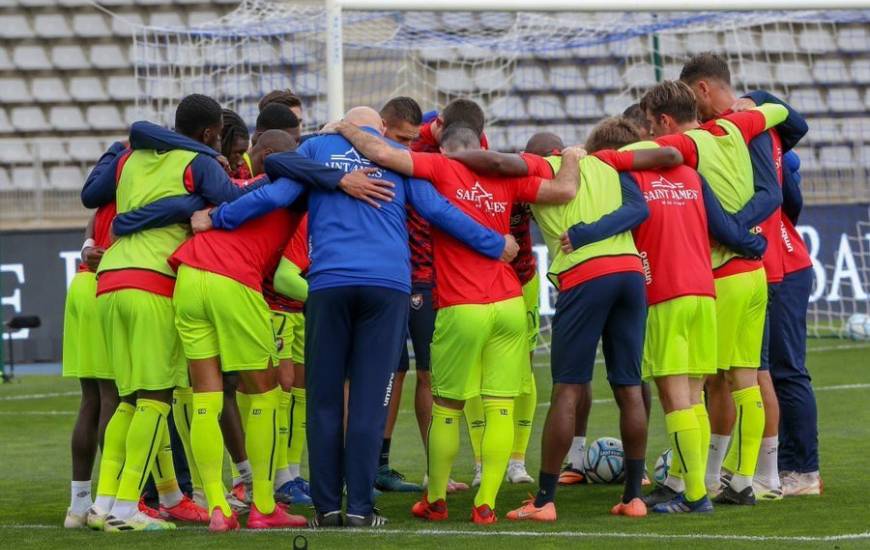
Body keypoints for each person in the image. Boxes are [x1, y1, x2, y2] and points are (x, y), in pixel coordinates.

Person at [204, 106, 514, 527]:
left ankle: (328, 508)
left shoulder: (316, 147)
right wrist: (494, 243)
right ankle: (361, 510)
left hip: (329, 283)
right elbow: (438, 211)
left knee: (325, 399)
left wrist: (217, 217)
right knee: (369, 401)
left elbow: (273, 196)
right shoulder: (394, 154)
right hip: (387, 287)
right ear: (381, 129)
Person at [334, 113, 590, 524]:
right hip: (508, 301)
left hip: (461, 304)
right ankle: (486, 502)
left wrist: (342, 127)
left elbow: (379, 150)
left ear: (446, 147)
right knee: (501, 406)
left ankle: (435, 499)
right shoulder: (505, 177)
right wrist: (574, 155)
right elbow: (566, 188)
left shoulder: (442, 166)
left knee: (448, 406)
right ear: (482, 146)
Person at [441, 130, 681, 520]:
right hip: (630, 272)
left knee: (567, 390)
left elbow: (499, 163)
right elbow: (665, 158)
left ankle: (544, 501)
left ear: (535, 155)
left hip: (584, 276)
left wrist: (445, 161)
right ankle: (634, 497)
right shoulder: (604, 162)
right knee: (630, 386)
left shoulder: (544, 167)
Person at [79, 94, 272, 531]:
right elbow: (230, 205)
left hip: (109, 279)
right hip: (153, 282)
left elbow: (95, 193)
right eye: (219, 137)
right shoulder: (198, 162)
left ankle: (101, 504)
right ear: (209, 134)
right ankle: (127, 512)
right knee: (155, 401)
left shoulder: (131, 158)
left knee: (127, 401)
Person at [562, 117, 766, 514]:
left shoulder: (624, 178)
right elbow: (722, 225)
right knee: (693, 396)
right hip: (705, 292)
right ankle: (696, 484)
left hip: (664, 293)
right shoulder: (689, 174)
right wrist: (753, 243)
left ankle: (693, 496)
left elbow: (629, 217)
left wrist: (584, 233)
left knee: (676, 399)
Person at [638, 80, 790, 505]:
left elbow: (645, 159)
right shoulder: (735, 128)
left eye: (652, 125)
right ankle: (742, 482)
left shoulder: (684, 147)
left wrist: (599, 156)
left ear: (666, 121)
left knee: (697, 383)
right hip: (754, 273)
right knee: (745, 378)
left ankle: (694, 483)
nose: (652, 135)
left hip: (721, 272)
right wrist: (757, 104)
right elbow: (782, 113)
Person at [679, 52, 808, 500]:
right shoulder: (761, 123)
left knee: (751, 374)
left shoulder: (739, 127)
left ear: (702, 89)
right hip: (761, 258)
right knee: (744, 374)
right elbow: (788, 181)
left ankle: (760, 474)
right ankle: (745, 474)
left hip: (753, 264)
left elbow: (771, 192)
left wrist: (738, 233)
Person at [376, 96, 427, 493]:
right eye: (399, 139)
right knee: (377, 371)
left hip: (417, 280)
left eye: (412, 140)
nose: (404, 149)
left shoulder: (415, 158)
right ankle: (365, 464)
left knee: (412, 370)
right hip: (382, 279)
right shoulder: (362, 157)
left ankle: (426, 470)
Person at [62, 206, 119, 528]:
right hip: (106, 285)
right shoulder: (143, 175)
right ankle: (107, 501)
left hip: (82, 284)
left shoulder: (112, 173)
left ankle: (78, 505)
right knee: (114, 396)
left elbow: (94, 218)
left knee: (91, 399)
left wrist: (86, 245)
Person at [773, 151, 822, 496]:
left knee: (787, 369)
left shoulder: (760, 144)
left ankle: (804, 470)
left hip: (786, 267)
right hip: (779, 265)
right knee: (769, 372)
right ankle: (783, 464)